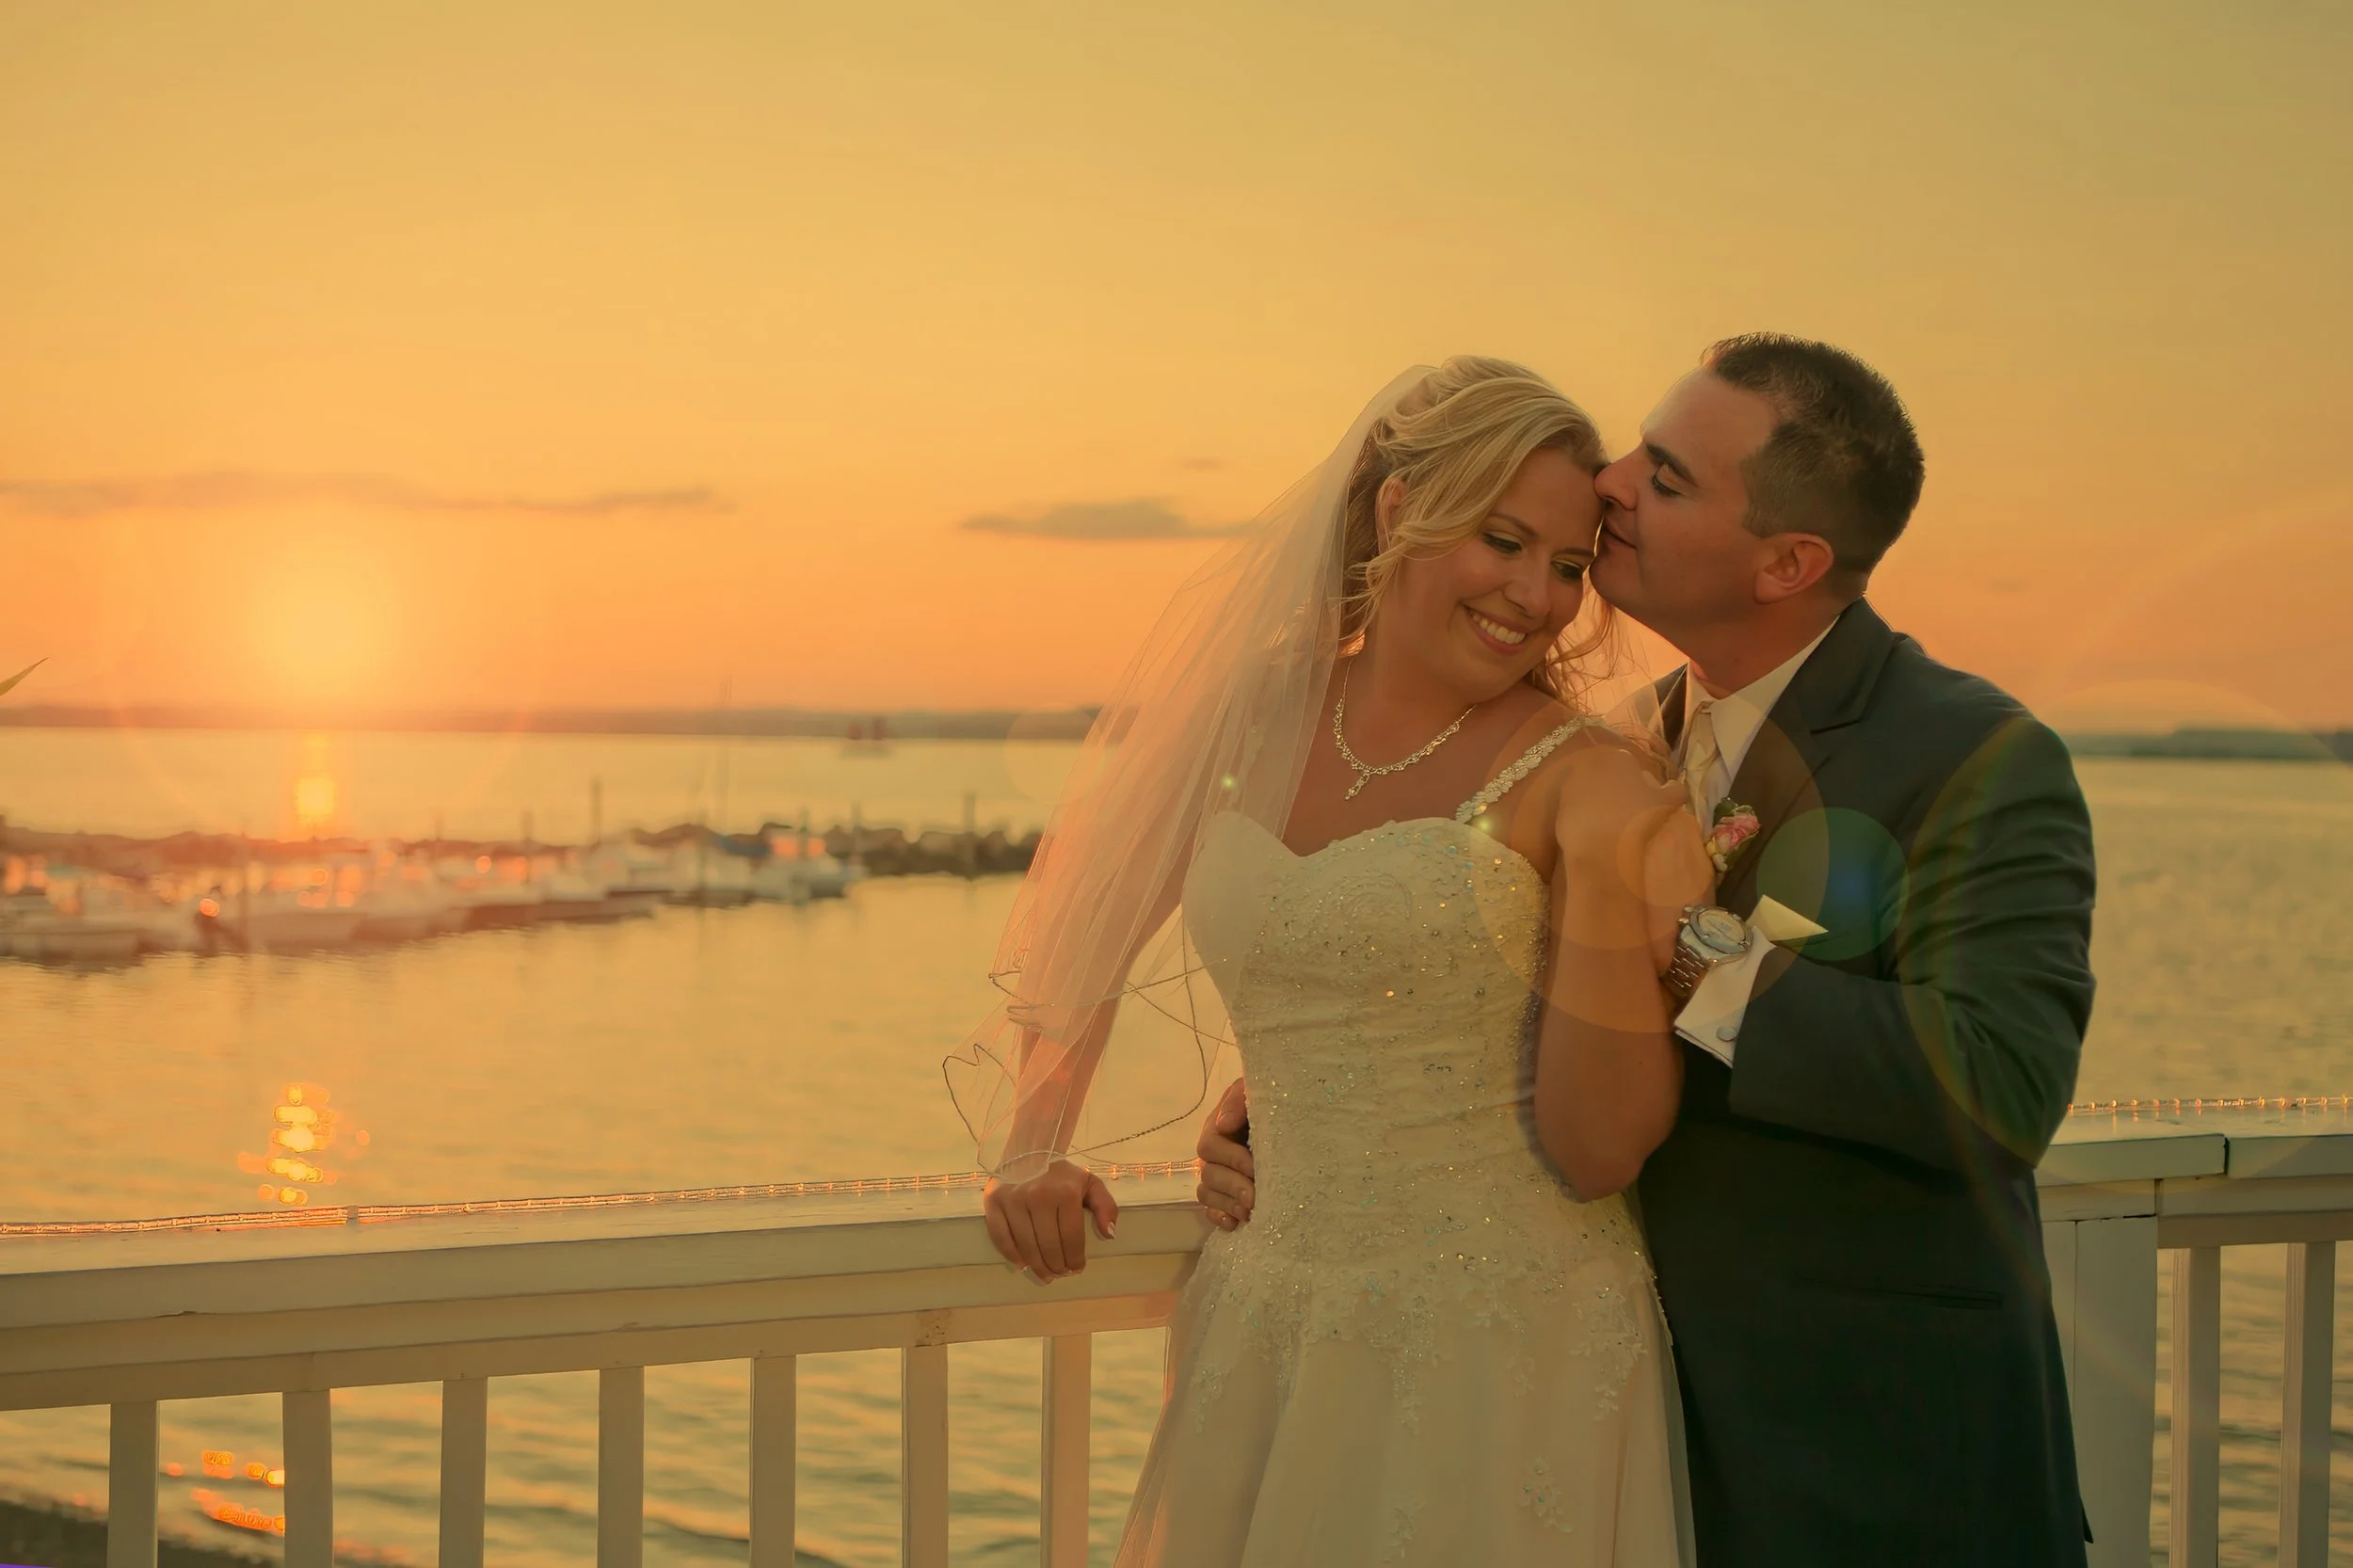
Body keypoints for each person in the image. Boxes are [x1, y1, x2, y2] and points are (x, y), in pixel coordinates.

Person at [1200, 335, 2098, 1567]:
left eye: (1666, 476)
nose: (1611, 482)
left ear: (1788, 560)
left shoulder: (1977, 757)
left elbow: (2001, 1082)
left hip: (1865, 1467)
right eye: (1634, 448)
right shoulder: (1606, 741)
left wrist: (1691, 954)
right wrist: (1301, 1109)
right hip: (1590, 1421)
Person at [948, 357, 1708, 1566]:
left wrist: (1629, 876)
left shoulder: (1584, 774)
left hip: (1511, 1336)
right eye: (1501, 539)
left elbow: (1608, 1127)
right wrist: (1034, 1146)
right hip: (1264, 1313)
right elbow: (1091, 927)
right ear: (1403, 510)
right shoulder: (1251, 711)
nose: (1534, 595)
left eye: (1567, 566)